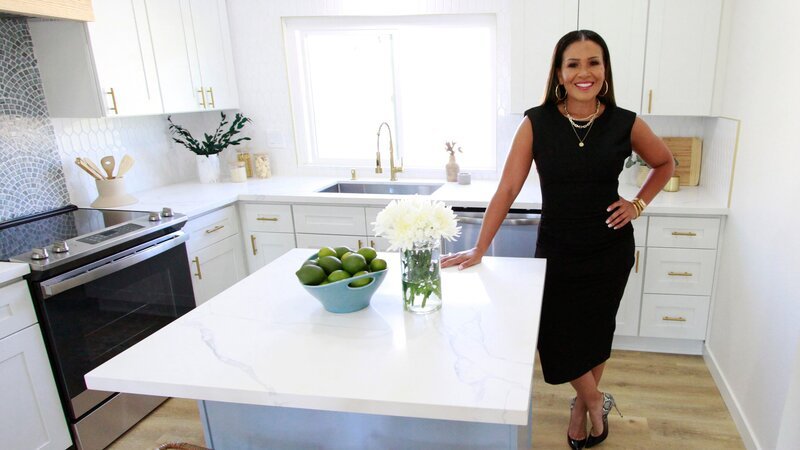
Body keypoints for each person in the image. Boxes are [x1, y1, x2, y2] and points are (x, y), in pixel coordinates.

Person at [441, 30, 674, 449]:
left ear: (605, 71)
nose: (584, 72)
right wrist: (479, 247)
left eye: (594, 63)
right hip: (557, 252)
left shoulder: (625, 122)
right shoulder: (538, 122)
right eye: (574, 64)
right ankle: (595, 398)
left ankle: (581, 408)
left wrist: (638, 204)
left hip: (610, 248)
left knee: (596, 333)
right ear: (559, 74)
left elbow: (664, 162)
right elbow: (507, 190)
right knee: (555, 336)